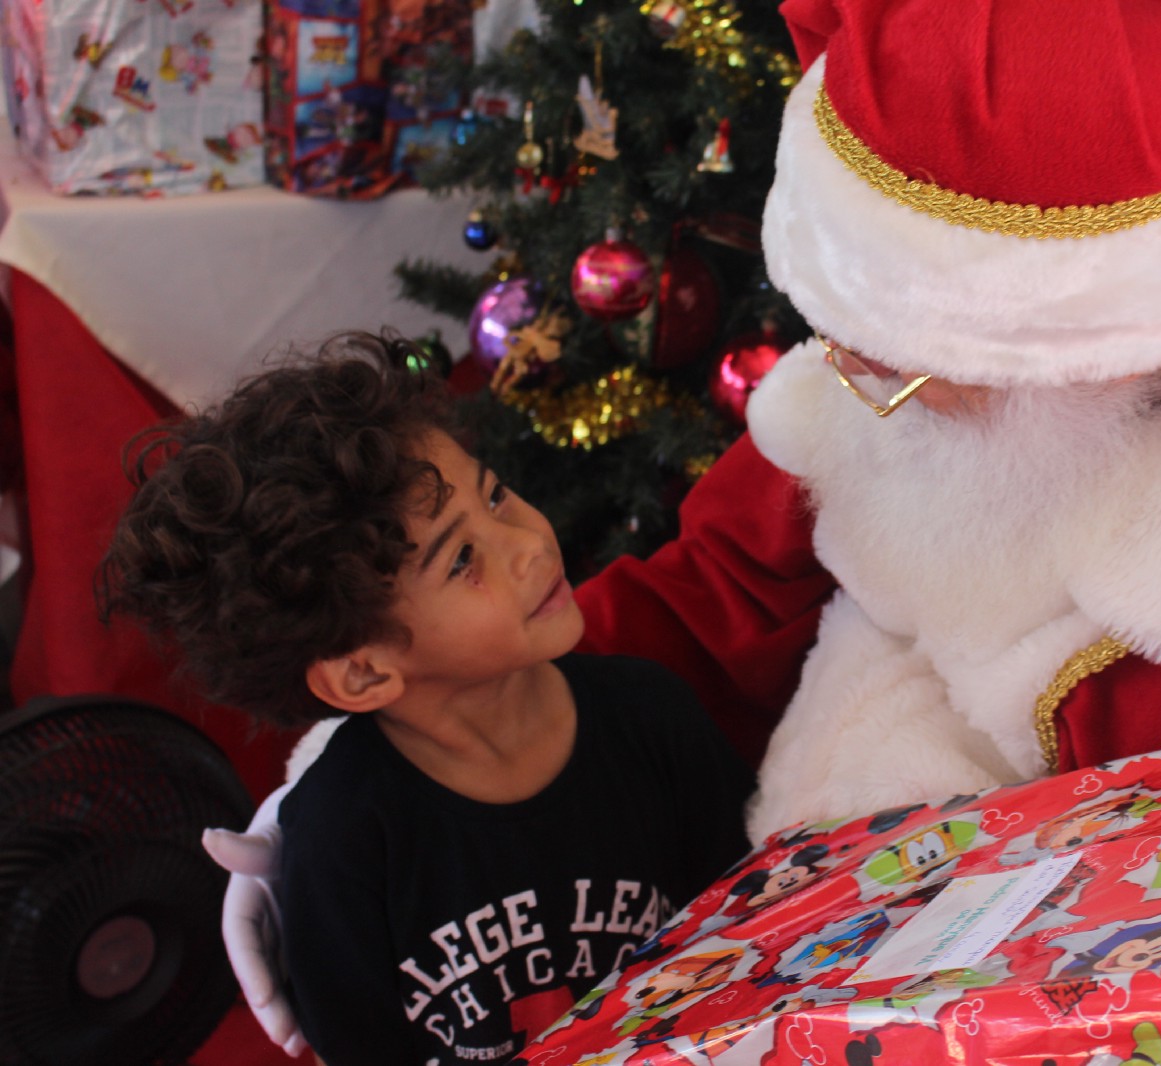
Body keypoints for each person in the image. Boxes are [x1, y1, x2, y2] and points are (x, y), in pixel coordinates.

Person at [209, 0, 1161, 1053]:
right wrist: (389, 763)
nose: (851, 388)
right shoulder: (928, 376)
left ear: (1080, 342)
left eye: (902, 362)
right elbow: (707, 603)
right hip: (766, 960)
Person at [97, 337, 754, 1066]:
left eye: (497, 494)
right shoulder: (341, 845)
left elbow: (759, 938)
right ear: (362, 674)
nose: (529, 544)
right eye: (462, 559)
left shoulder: (654, 719)